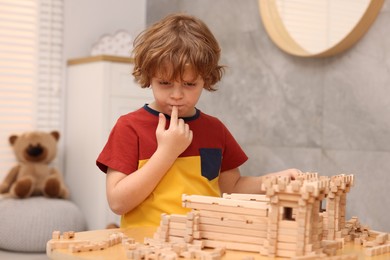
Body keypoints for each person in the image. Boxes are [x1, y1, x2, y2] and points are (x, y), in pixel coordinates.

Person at [96, 13, 300, 228]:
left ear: (206, 79)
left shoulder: (215, 129)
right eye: (165, 83)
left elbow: (231, 187)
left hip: (203, 245)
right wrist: (166, 152)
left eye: (189, 84)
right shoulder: (129, 127)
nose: (176, 94)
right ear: (149, 77)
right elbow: (118, 202)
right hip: (147, 248)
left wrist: (274, 181)